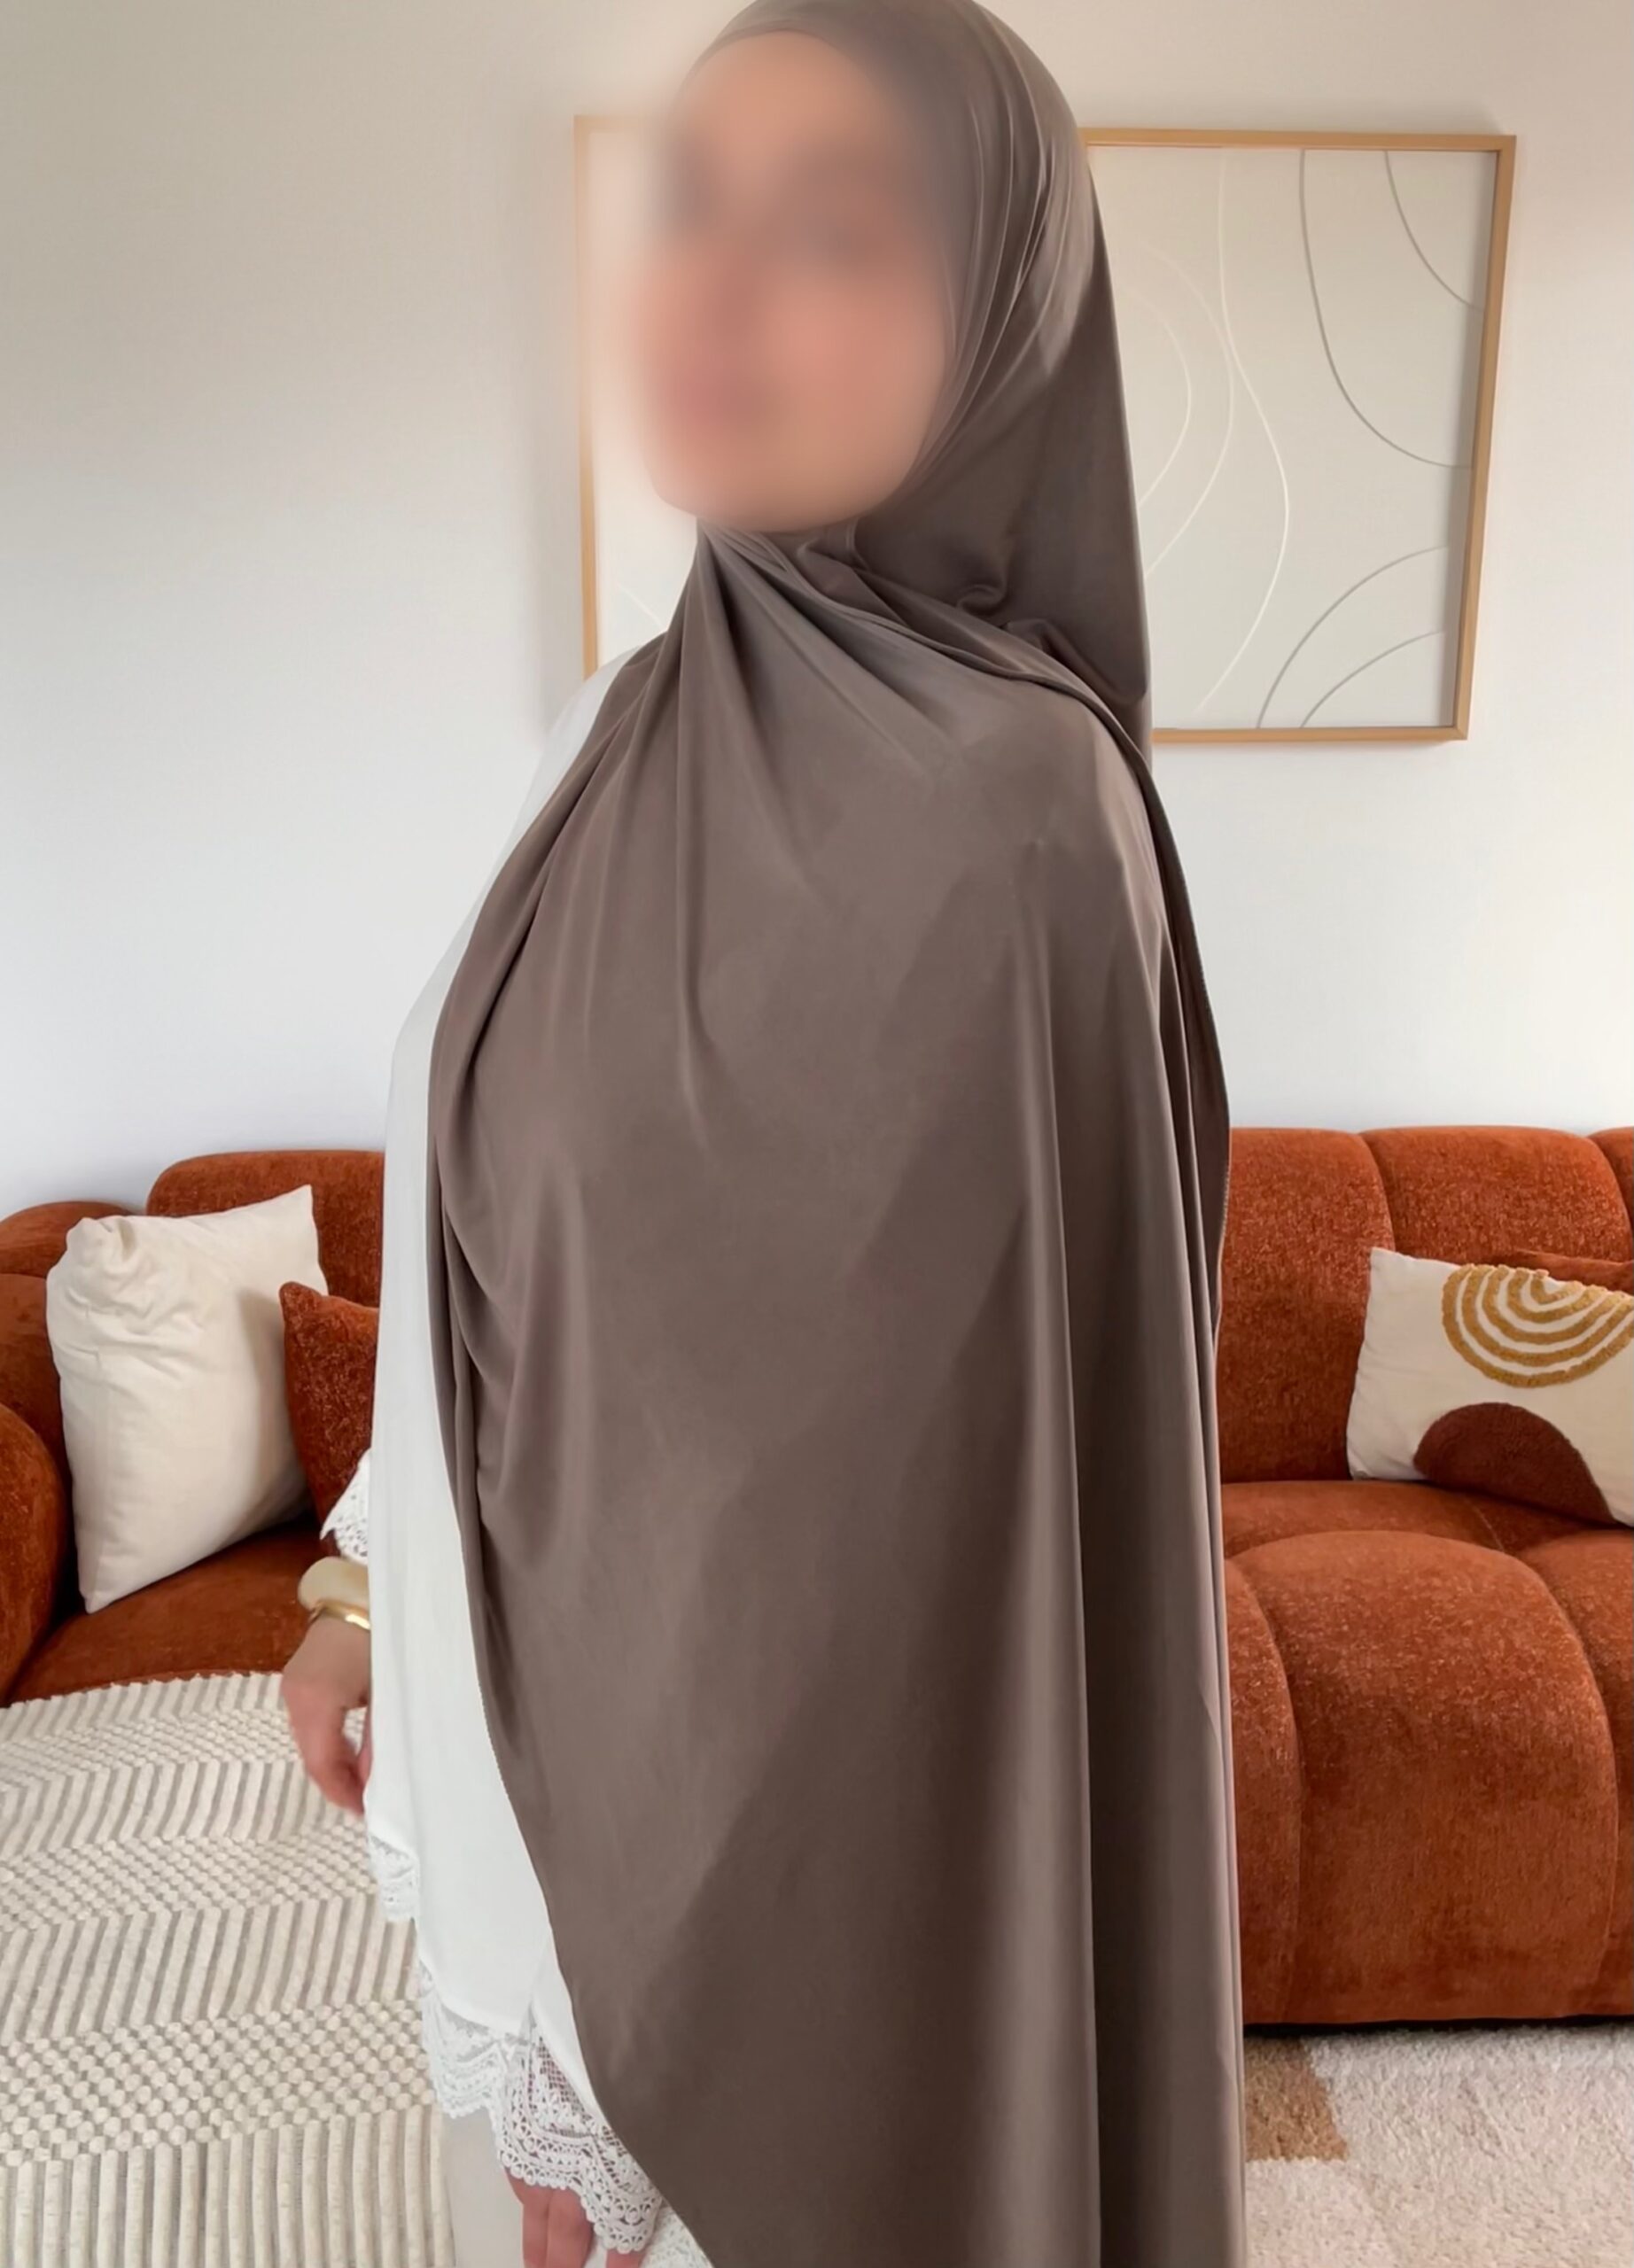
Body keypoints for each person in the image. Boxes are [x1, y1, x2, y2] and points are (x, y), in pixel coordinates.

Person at [282, 3, 1247, 2264]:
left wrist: (680, 1960)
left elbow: (935, 1524)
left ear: (995, 319)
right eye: (688, 203)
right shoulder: (626, 727)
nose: (709, 288)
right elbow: (513, 1233)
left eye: (825, 230)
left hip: (789, 1879)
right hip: (533, 1730)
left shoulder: (1026, 819)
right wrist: (362, 1587)